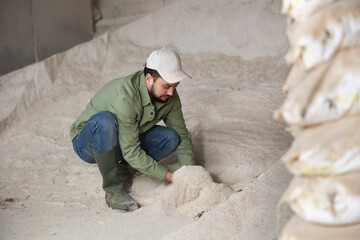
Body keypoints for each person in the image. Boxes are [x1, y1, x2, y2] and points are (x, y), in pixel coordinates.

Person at [69, 47, 196, 211]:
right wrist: (170, 177)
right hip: (88, 144)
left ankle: (123, 171)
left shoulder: (170, 95)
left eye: (175, 86)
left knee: (171, 137)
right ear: (149, 79)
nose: (171, 92)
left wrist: (189, 171)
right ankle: (113, 190)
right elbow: (130, 150)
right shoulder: (125, 96)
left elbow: (182, 134)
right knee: (105, 120)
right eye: (166, 86)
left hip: (122, 138)